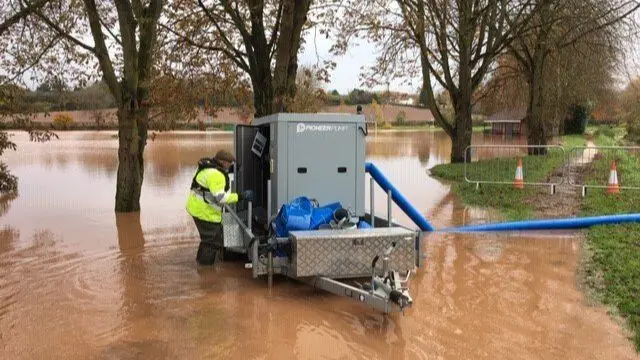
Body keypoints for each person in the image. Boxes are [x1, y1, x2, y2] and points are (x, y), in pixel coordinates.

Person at [186, 149, 253, 265]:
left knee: (207, 239)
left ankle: (200, 263)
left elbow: (209, 185)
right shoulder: (216, 175)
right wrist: (241, 196)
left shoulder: (208, 167)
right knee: (213, 241)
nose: (230, 165)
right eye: (229, 163)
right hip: (205, 213)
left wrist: (229, 171)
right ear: (222, 162)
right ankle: (206, 271)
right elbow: (221, 198)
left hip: (196, 208)